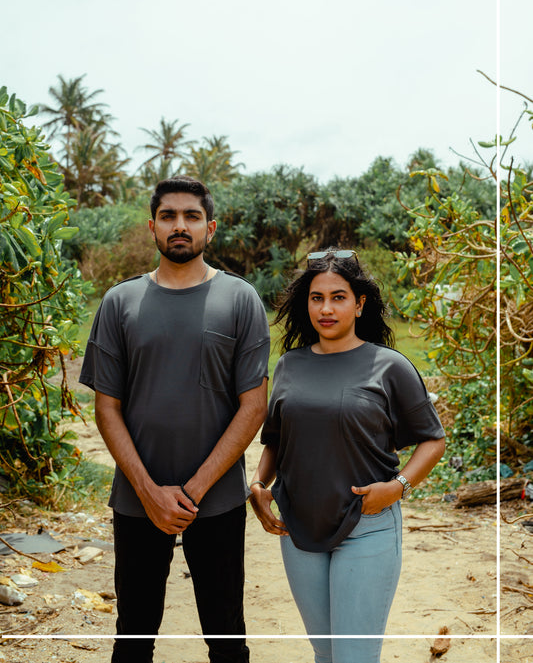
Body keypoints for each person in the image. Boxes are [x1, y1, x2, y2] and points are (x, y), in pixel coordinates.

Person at [79, 176, 270, 663]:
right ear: (152, 227)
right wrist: (148, 491)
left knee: (227, 634)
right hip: (137, 499)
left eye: (190, 216)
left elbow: (253, 405)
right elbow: (107, 407)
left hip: (218, 498)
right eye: (168, 216)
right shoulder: (119, 303)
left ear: (211, 228)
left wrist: (194, 490)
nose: (179, 226)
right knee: (134, 633)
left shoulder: (240, 299)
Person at [249, 248, 445, 663]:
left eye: (339, 297)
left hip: (367, 526)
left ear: (360, 304)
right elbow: (277, 440)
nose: (326, 308)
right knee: (326, 654)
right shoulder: (289, 365)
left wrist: (398, 487)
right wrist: (258, 484)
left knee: (353, 656)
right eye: (317, 298)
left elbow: (433, 439)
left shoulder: (389, 366)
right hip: (298, 530)